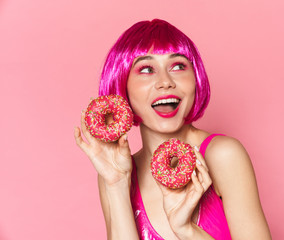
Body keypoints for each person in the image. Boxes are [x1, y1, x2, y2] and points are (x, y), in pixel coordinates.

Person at [74, 19, 272, 240]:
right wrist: (117, 184)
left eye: (178, 66)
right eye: (147, 69)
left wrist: (186, 230)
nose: (165, 81)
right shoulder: (116, 173)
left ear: (195, 79)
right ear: (123, 86)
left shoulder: (223, 155)